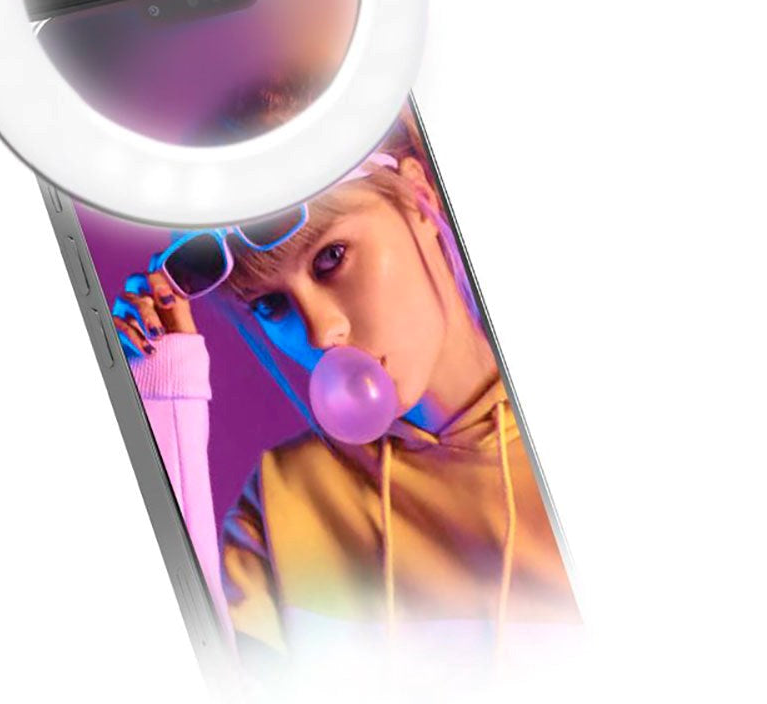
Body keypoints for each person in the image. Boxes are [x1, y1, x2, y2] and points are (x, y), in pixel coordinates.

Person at [111, 109, 578, 670]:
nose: (320, 332)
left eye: (331, 258)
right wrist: (167, 399)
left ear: (417, 197)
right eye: (271, 305)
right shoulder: (282, 502)